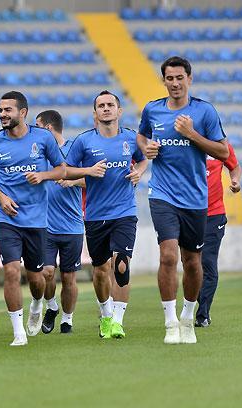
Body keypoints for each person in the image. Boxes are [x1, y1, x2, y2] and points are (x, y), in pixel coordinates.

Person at [137, 56, 229, 344]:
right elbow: (141, 137)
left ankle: (188, 318)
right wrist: (147, 148)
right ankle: (170, 323)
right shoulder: (152, 109)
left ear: (189, 79)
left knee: (192, 262)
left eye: (180, 78)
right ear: (163, 80)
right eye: (170, 78)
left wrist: (191, 134)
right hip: (162, 194)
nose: (175, 83)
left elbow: (223, 152)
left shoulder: (204, 111)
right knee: (168, 256)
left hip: (195, 198)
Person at [0, 91, 66, 346]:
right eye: (0, 110)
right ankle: (18, 332)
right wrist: (1, 198)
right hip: (7, 218)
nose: (3, 114)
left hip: (37, 220)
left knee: (37, 278)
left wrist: (43, 176)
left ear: (23, 112)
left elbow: (61, 169)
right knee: (10, 271)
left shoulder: (43, 138)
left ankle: (37, 304)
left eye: (8, 110)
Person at [66, 91, 148, 339]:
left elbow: (143, 160)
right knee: (101, 270)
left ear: (119, 111)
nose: (106, 108)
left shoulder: (131, 138)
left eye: (110, 104)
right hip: (95, 215)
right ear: (95, 113)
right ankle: (106, 315)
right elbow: (65, 170)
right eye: (101, 105)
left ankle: (118, 323)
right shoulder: (83, 141)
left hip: (124, 211)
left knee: (121, 263)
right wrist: (88, 171)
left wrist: (139, 172)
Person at [34, 110, 84, 335]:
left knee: (69, 277)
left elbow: (92, 178)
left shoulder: (75, 149)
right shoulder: (38, 153)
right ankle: (52, 306)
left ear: (48, 128)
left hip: (72, 226)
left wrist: (73, 181)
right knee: (45, 272)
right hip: (45, 226)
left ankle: (67, 319)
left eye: (37, 126)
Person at [196, 143, 241, 327]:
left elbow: (234, 166)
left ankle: (202, 314)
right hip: (190, 214)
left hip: (214, 214)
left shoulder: (222, 146)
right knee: (191, 264)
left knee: (208, 262)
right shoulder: (186, 143)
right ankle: (198, 304)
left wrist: (235, 181)